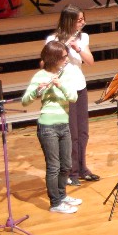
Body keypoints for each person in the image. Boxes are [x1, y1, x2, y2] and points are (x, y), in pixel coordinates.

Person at [21, 41, 83, 214]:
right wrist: (37, 91)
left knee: (66, 164)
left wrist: (60, 85)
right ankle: (55, 203)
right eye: (64, 57)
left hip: (64, 125)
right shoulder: (40, 76)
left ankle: (62, 196)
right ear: (54, 58)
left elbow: (73, 97)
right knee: (54, 166)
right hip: (47, 127)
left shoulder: (65, 75)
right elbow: (25, 101)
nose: (66, 60)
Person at [46, 5, 97, 187]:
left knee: (83, 132)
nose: (83, 23)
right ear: (69, 21)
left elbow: (90, 61)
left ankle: (82, 168)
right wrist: (63, 50)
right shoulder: (53, 40)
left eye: (83, 19)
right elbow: (45, 64)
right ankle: (71, 171)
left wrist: (78, 48)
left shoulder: (83, 37)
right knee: (71, 134)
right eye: (79, 20)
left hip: (80, 87)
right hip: (64, 90)